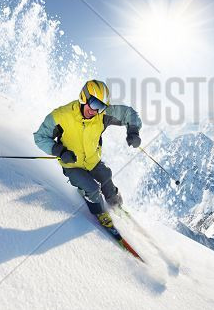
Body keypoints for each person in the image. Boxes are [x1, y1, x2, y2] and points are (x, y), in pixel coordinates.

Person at [33, 80, 142, 228]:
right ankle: (100, 212)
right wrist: (59, 151)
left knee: (106, 178)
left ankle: (116, 205)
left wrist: (133, 131)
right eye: (94, 104)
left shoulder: (102, 115)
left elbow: (129, 113)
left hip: (93, 161)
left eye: (101, 106)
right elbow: (40, 137)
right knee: (92, 189)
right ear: (83, 97)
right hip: (72, 164)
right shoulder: (61, 116)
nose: (95, 111)